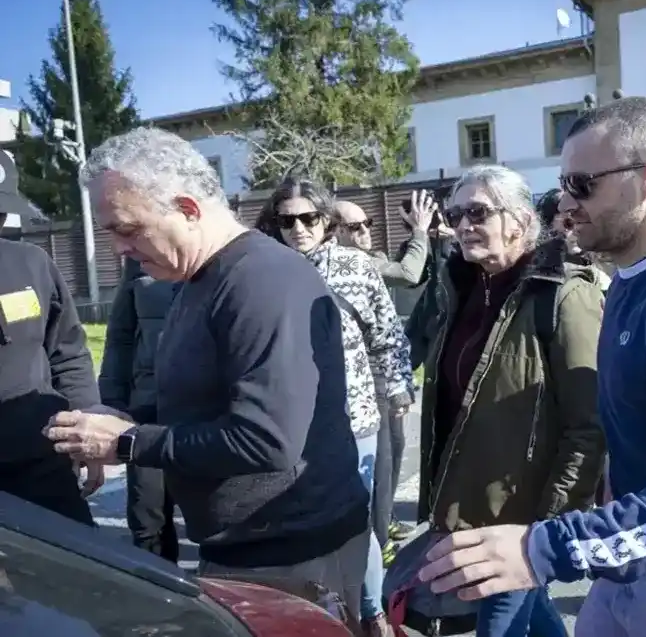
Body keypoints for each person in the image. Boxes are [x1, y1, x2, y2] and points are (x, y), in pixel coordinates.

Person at [414, 97, 646, 637]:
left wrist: (547, 545)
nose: (566, 203)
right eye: (565, 183)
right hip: (629, 573)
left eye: (583, 184)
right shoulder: (626, 278)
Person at [41, 127, 372, 622]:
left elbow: (266, 441)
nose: (118, 249)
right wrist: (119, 416)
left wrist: (127, 442)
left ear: (188, 209)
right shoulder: (195, 278)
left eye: (128, 229)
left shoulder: (262, 280)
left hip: (294, 555)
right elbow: (201, 399)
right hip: (247, 548)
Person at [405, 164, 605, 637]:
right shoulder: (459, 288)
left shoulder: (564, 294)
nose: (462, 226)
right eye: (455, 215)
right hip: (467, 504)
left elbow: (590, 425)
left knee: (499, 627)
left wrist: (549, 527)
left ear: (518, 220)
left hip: (520, 517)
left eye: (477, 212)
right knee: (532, 619)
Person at [256, 176, 413, 637]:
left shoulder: (355, 266)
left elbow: (386, 335)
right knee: (301, 522)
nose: (299, 228)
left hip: (356, 418)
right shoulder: (267, 269)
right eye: (288, 220)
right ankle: (321, 614)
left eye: (310, 218)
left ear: (326, 220)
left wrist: (399, 388)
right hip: (290, 424)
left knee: (355, 523)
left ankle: (372, 613)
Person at [0, 149, 104, 526]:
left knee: (78, 576)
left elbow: (68, 352)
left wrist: (88, 427)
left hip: (41, 463)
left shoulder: (32, 263)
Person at [338, 193, 434, 554]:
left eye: (368, 224)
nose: (364, 232)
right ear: (334, 231)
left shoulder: (371, 260)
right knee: (377, 463)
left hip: (385, 374)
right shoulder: (349, 265)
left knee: (392, 453)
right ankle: (375, 542)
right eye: (355, 226)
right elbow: (409, 273)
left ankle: (384, 520)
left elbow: (414, 268)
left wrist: (420, 235)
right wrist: (421, 233)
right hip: (365, 381)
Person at [98, 257, 182, 563]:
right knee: (147, 520)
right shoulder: (139, 258)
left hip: (208, 412)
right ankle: (162, 604)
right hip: (148, 409)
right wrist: (111, 403)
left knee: (219, 522)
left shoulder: (220, 255)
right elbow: (120, 335)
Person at [536, 188, 611, 292]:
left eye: (581, 221)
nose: (576, 230)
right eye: (568, 223)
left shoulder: (606, 262)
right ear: (548, 226)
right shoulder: (541, 273)